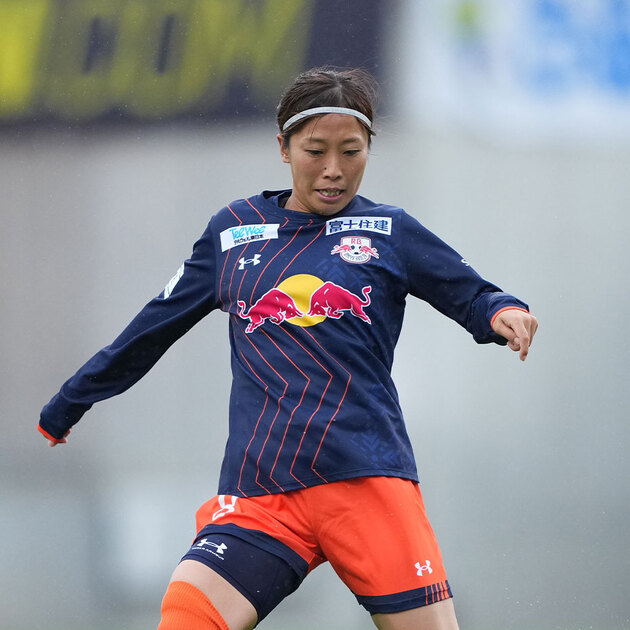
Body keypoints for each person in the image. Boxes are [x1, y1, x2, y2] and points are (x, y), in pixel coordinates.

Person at [39, 67, 538, 630]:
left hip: (366, 482)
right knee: (187, 615)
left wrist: (502, 311)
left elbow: (470, 292)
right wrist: (70, 401)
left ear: (369, 148)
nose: (333, 169)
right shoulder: (233, 232)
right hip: (262, 491)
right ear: (283, 148)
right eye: (315, 151)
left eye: (351, 151)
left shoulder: (389, 231)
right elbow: (152, 327)